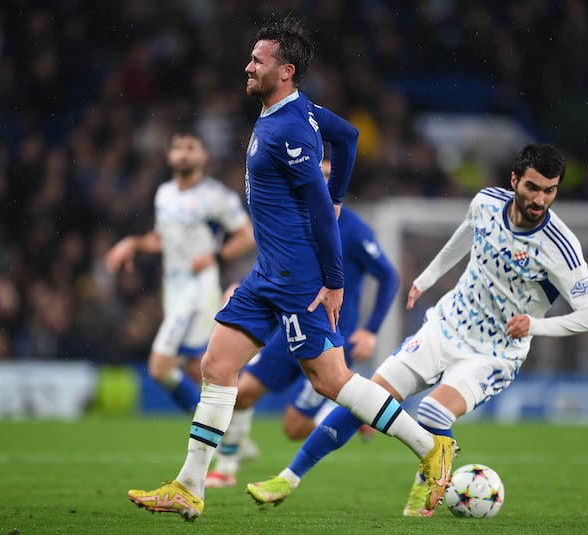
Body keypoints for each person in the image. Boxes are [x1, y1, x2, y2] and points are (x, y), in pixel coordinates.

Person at [127, 15, 456, 522]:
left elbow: (321, 209)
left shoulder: (288, 131)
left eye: (258, 60)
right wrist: (341, 194)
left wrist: (334, 279)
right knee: (217, 365)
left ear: (285, 72)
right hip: (266, 273)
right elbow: (346, 137)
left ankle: (428, 446)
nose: (248, 66)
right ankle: (190, 486)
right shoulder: (302, 112)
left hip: (295, 280)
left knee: (332, 382)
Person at [246, 143, 588, 517]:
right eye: (533, 187)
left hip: (493, 353)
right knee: (366, 399)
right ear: (515, 180)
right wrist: (428, 277)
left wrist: (536, 325)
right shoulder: (485, 203)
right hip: (446, 326)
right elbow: (466, 235)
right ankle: (287, 479)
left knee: (433, 413)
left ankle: (423, 490)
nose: (540, 199)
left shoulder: (561, 247)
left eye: (550, 191)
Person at [205, 159, 400, 488]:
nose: (321, 182)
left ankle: (356, 416)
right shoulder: (290, 220)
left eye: (328, 176)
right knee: (242, 394)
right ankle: (226, 467)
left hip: (331, 339)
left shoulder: (352, 229)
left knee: (293, 428)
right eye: (316, 175)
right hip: (289, 329)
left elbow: (389, 275)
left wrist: (371, 330)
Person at [104, 128, 255, 412]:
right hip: (173, 291)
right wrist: (133, 244)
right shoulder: (164, 195)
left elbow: (247, 235)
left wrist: (216, 257)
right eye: (178, 148)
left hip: (198, 291)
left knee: (160, 366)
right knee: (195, 369)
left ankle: (212, 427)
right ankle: (229, 424)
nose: (184, 154)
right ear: (169, 155)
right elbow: (163, 240)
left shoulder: (215, 196)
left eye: (191, 148)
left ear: (203, 156)